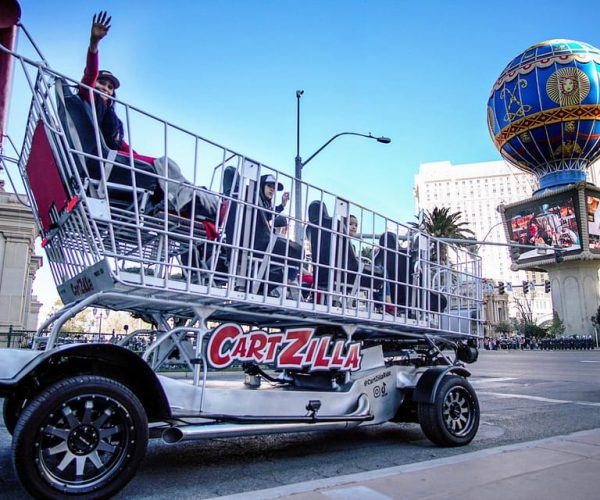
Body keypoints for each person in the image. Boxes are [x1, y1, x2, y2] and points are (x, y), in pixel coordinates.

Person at [78, 11, 218, 220]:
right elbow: (90, 76)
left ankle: (192, 197)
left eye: (109, 87)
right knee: (160, 168)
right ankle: (195, 200)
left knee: (162, 164)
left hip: (111, 158)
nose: (105, 89)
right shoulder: (89, 99)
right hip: (103, 161)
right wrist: (94, 44)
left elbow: (126, 149)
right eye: (102, 83)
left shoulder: (110, 119)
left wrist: (154, 163)